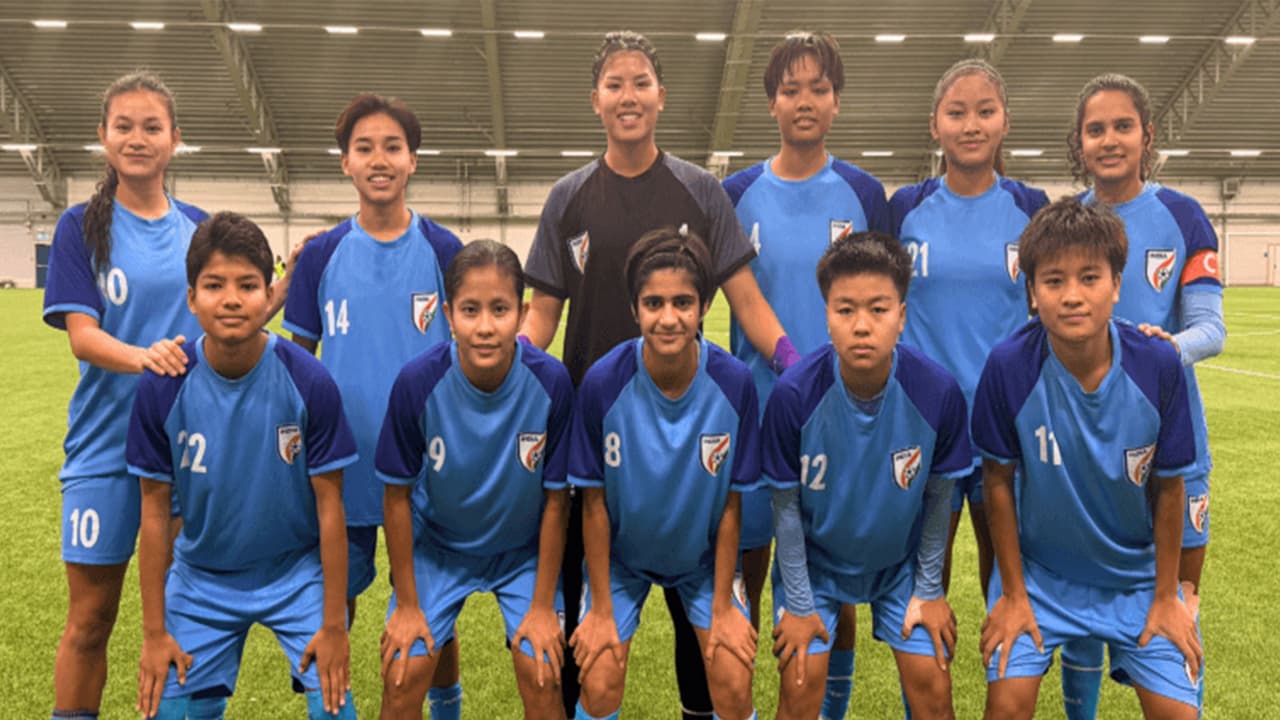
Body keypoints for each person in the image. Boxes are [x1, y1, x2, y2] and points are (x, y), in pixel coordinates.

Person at [520, 31, 791, 719]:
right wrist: (501, 368)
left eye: (640, 82)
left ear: (661, 96)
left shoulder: (700, 191)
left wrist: (794, 366)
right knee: (593, 632)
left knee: (705, 646)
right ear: (595, 100)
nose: (628, 95)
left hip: (689, 425)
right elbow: (542, 312)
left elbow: (747, 300)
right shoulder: (568, 197)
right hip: (598, 432)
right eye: (614, 84)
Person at [973, 197, 1203, 719]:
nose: (1073, 296)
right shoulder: (1008, 366)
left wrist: (1165, 596)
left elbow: (1170, 487)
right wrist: (1014, 594)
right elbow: (997, 482)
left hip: (1135, 579)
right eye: (1054, 281)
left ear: (1117, 284)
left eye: (1090, 278)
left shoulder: (1158, 365)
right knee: (1005, 709)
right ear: (1033, 293)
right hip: (1041, 578)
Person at [126, 212, 357, 719]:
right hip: (201, 577)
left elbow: (330, 507)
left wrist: (334, 625)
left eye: (247, 285)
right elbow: (154, 512)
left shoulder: (309, 380)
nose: (231, 299)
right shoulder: (163, 386)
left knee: (335, 707)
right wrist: (154, 633)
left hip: (295, 573)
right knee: (166, 709)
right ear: (191, 298)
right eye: (214, 285)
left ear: (269, 293)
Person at [722, 32, 890, 720]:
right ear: (771, 103)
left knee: (829, 578)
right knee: (747, 570)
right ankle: (740, 704)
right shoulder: (734, 193)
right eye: (790, 89)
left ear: (837, 101)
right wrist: (793, 367)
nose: (804, 101)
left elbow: (882, 296)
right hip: (756, 413)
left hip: (842, 416)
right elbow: (732, 298)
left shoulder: (865, 193)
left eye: (818, 88)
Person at [283, 93, 465, 717]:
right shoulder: (321, 254)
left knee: (436, 608)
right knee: (334, 602)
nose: (379, 160)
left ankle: (447, 708)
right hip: (344, 465)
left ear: (413, 160)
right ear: (346, 163)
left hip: (430, 466)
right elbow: (296, 362)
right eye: (364, 148)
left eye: (392, 147)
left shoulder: (444, 250)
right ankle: (331, 707)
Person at [41, 72, 210, 720]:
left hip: (187, 451)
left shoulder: (200, 229)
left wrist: (281, 289)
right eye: (124, 126)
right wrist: (146, 357)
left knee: (184, 616)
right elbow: (82, 337)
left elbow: (226, 315)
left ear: (175, 139)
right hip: (105, 449)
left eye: (151, 127)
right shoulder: (79, 226)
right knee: (90, 619)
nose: (137, 139)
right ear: (103, 136)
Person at [1059, 73, 1226, 718]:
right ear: (1079, 142)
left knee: (1179, 601)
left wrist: (1158, 351)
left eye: (1122, 126)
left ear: (1147, 136)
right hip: (1084, 436)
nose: (1109, 140)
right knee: (1081, 598)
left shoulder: (1183, 215)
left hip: (1171, 438)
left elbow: (1210, 330)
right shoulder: (1065, 221)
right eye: (1095, 129)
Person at [763, 231, 971, 720]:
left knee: (934, 688)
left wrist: (929, 590)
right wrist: (799, 604)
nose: (861, 326)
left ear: (902, 315)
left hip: (898, 569)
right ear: (826, 315)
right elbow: (786, 511)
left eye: (878, 309)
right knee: (799, 685)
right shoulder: (793, 396)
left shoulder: (937, 392)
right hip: (816, 569)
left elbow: (940, 500)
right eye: (845, 310)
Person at [375, 240, 574, 719]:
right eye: (470, 310)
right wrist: (407, 606)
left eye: (500, 309)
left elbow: (557, 502)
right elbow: (396, 496)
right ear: (448, 314)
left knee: (544, 673)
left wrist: (542, 607)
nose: (485, 326)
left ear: (523, 313)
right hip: (439, 549)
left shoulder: (552, 383)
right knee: (402, 675)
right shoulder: (417, 382)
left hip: (522, 553)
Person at [568, 229, 759, 720]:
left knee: (733, 679)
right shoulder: (603, 382)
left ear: (704, 306)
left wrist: (723, 608)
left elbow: (731, 507)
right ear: (634, 309)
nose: (668, 318)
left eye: (683, 302)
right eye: (653, 303)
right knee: (599, 679)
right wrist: (601, 611)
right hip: (622, 561)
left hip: (702, 562)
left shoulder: (735, 383)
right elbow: (592, 504)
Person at [889, 56, 1049, 630]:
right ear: (935, 124)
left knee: (1005, 568)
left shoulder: (1031, 207)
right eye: (956, 113)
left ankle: (1004, 664)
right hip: (924, 419)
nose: (971, 125)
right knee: (921, 575)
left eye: (985, 112)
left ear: (1005, 121)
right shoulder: (904, 208)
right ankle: (922, 671)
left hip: (1003, 419)